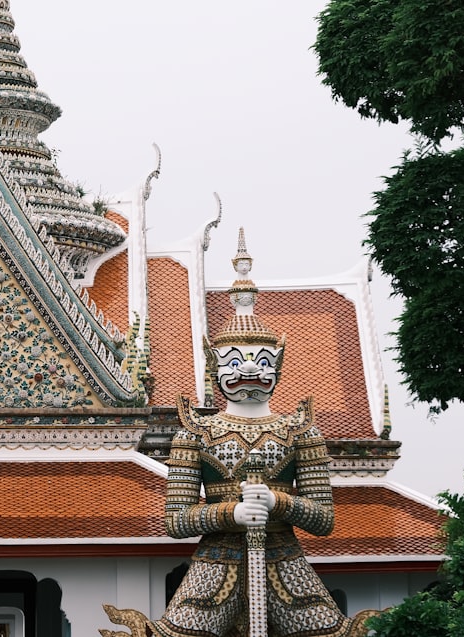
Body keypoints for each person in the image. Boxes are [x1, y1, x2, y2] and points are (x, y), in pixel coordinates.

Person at [146, 229, 374, 637]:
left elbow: (324, 521)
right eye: (235, 360)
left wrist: (277, 502)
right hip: (215, 565)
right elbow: (176, 521)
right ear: (215, 367)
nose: (249, 370)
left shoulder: (300, 430)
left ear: (278, 365)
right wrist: (229, 513)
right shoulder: (196, 433)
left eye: (261, 360)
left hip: (286, 560)